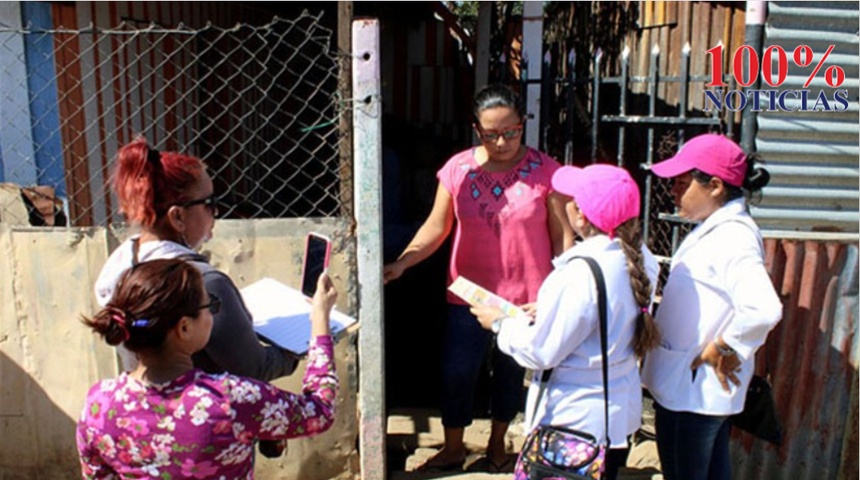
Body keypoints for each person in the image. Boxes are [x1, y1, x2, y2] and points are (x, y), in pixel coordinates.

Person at [383, 84, 571, 472]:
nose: (501, 141)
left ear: (523, 125)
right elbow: (436, 227)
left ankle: (497, 445)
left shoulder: (546, 171)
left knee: (509, 372)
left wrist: (563, 288)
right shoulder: (457, 170)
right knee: (457, 370)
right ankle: (454, 447)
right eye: (490, 134)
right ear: (475, 129)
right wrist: (404, 261)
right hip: (469, 296)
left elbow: (562, 236)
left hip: (525, 299)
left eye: (510, 132)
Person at [94, 137, 298, 457]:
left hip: (147, 435)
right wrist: (302, 343)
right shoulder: (205, 283)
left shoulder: (121, 269)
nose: (216, 212)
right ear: (177, 217)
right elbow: (254, 369)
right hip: (207, 440)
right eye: (210, 203)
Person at [473, 164, 660, 480]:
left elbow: (541, 351)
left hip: (575, 422)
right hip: (615, 416)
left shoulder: (579, 272)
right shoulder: (641, 258)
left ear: (581, 216)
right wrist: (549, 310)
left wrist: (500, 324)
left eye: (571, 199)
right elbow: (602, 315)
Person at [77, 258, 339, 478]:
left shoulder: (99, 405)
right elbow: (320, 412)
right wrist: (319, 322)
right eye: (210, 307)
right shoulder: (231, 398)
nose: (213, 315)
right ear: (184, 327)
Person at [640, 134, 782, 480]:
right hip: (693, 389)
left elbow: (763, 308)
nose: (673, 190)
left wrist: (723, 346)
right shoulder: (717, 229)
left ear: (716, 186)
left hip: (692, 393)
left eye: (682, 183)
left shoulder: (732, 237)